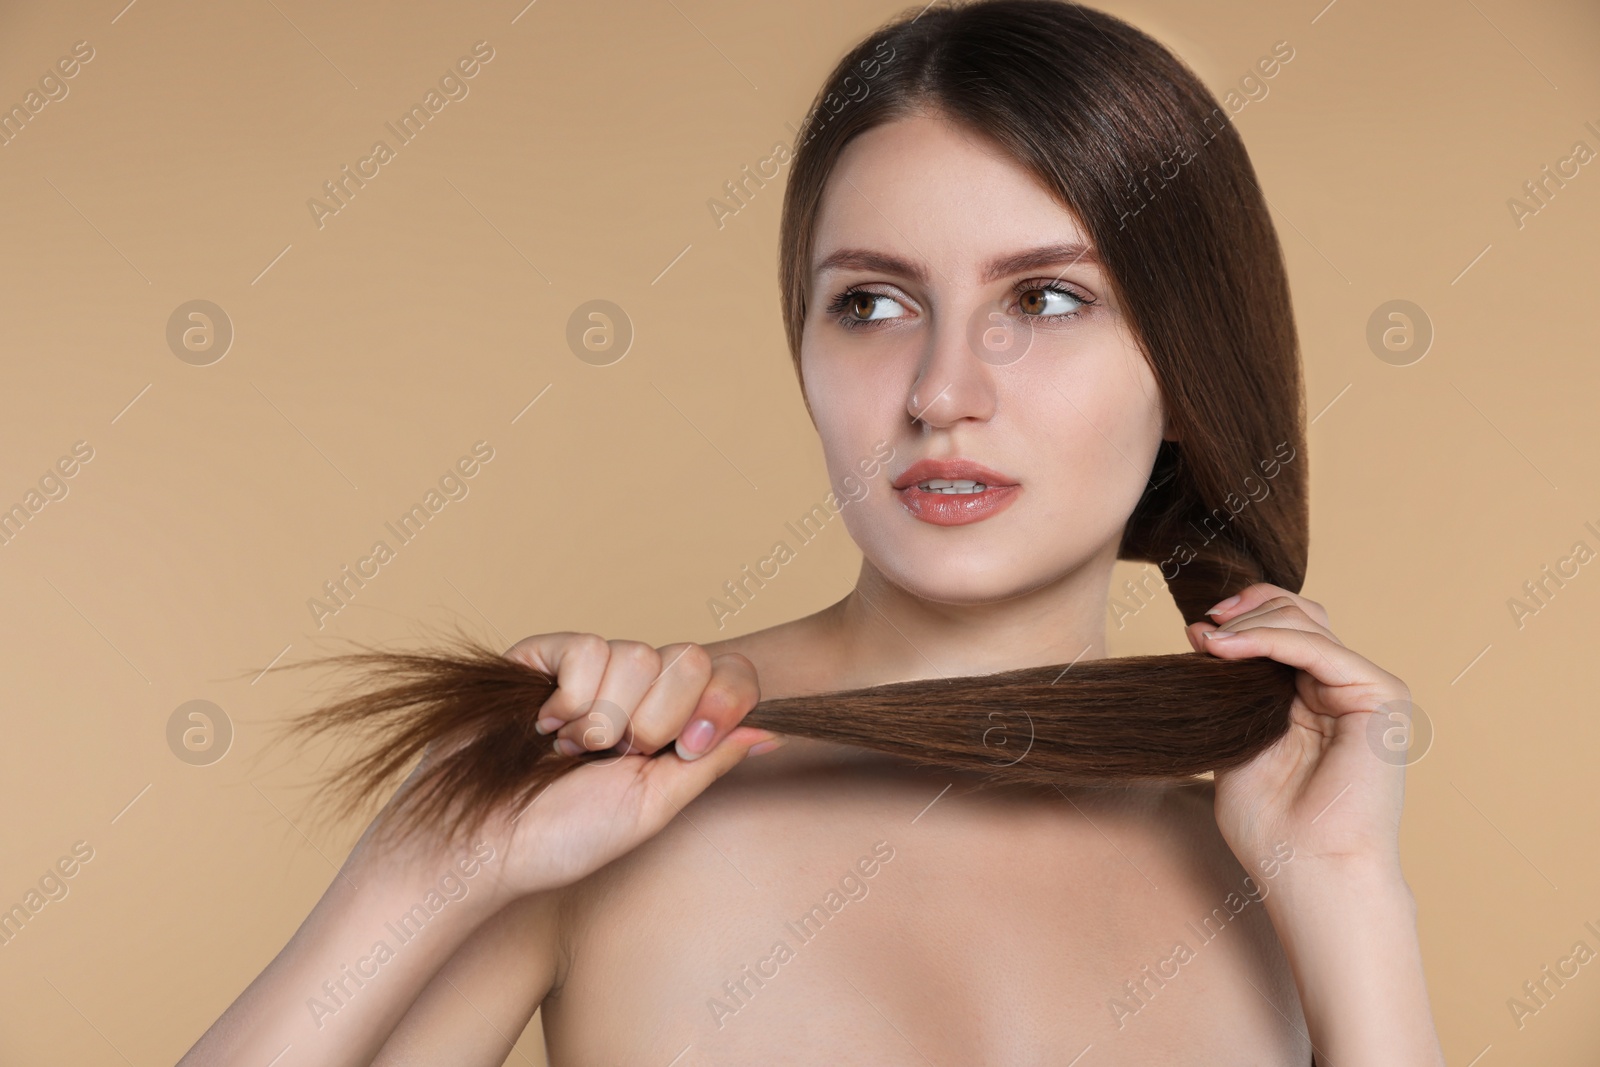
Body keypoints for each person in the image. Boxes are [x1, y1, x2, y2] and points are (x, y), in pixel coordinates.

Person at [180, 1, 1446, 1063]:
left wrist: (1345, 891)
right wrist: (422, 873)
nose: (943, 389)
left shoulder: (1269, 853)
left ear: (1185, 363)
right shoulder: (605, 795)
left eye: (1047, 297)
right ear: (803, 346)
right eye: (874, 302)